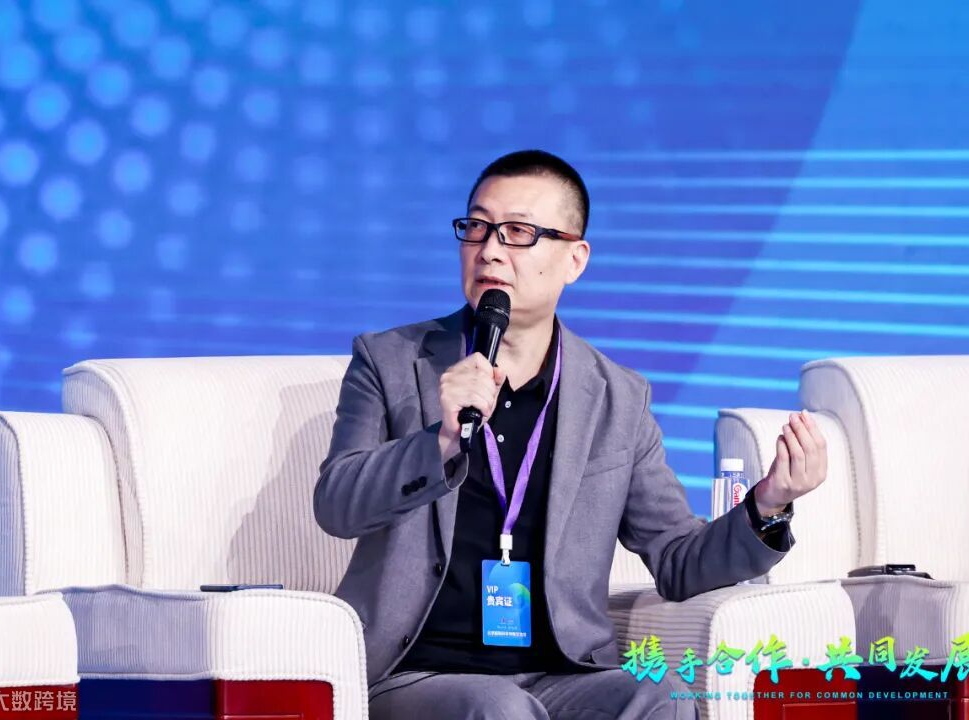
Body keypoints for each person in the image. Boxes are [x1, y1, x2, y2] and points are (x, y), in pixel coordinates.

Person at [314, 150, 827, 719]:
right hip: (417, 674)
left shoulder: (617, 398)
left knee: (659, 700)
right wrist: (440, 441)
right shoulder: (390, 361)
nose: (489, 250)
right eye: (477, 227)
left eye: (518, 233)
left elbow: (677, 559)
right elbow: (337, 505)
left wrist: (767, 505)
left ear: (574, 259)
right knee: (499, 709)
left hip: (559, 675)